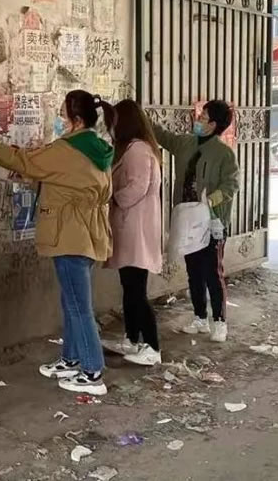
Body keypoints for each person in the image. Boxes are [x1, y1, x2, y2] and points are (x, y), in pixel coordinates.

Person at [0, 90, 114, 395]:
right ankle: (71, 359)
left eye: (62, 114)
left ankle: (92, 371)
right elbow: (66, 182)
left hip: (70, 235)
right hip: (87, 233)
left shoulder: (69, 149)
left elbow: (26, 160)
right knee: (72, 302)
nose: (58, 120)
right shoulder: (97, 147)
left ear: (76, 120)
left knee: (79, 307)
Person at [152, 100, 239, 343]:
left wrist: (212, 199)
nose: (198, 120)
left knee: (212, 272)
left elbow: (232, 184)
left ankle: (219, 321)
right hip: (186, 218)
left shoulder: (223, 153)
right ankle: (200, 318)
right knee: (193, 271)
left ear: (213, 124)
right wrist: (141, 118)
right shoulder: (185, 143)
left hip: (211, 222)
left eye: (203, 117)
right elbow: (163, 136)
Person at [101, 100, 163, 366]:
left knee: (136, 290)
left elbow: (137, 187)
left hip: (136, 228)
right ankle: (132, 338)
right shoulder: (133, 148)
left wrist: (113, 197)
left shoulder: (138, 150)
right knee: (129, 287)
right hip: (131, 226)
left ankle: (152, 346)